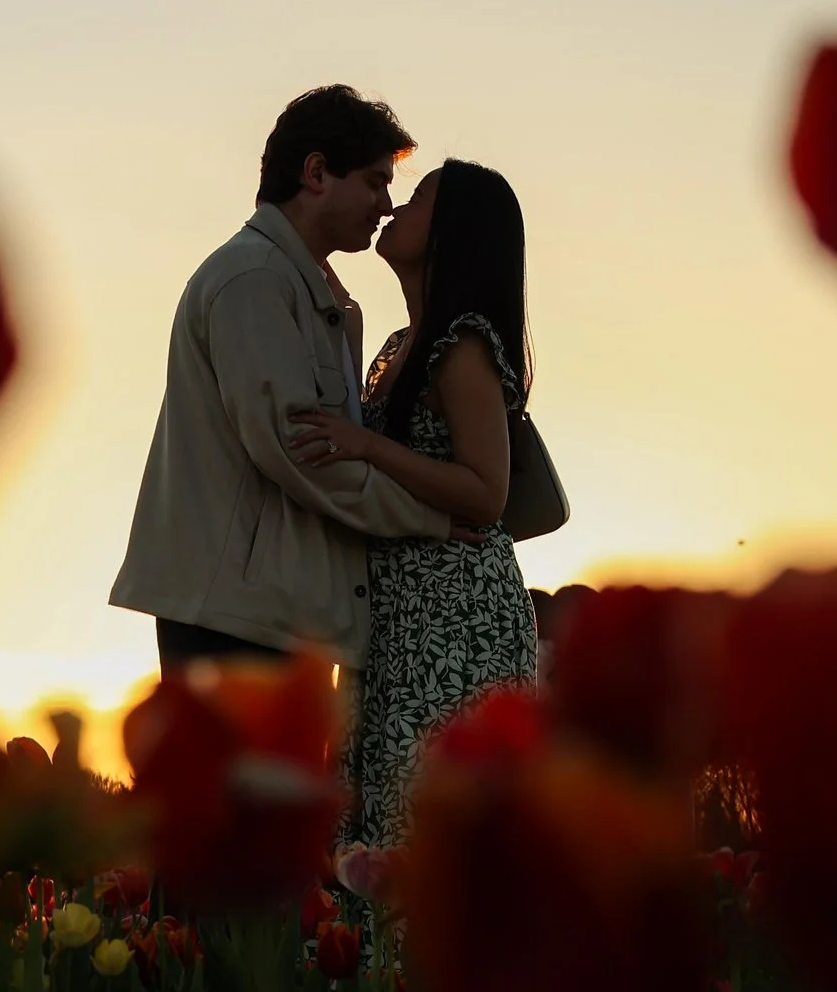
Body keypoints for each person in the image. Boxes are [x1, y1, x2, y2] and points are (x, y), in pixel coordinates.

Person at [110, 87, 453, 680]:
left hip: (275, 614)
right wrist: (433, 520)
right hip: (236, 621)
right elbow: (303, 453)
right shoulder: (254, 279)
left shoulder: (299, 285)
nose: (386, 204)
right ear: (317, 172)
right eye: (374, 182)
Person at [287, 160, 541, 922]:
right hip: (401, 616)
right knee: (381, 818)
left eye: (421, 195)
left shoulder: (459, 343)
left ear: (454, 230)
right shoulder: (402, 341)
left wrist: (367, 449)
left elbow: (485, 490)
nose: (397, 204)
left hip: (456, 619)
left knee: (428, 823)